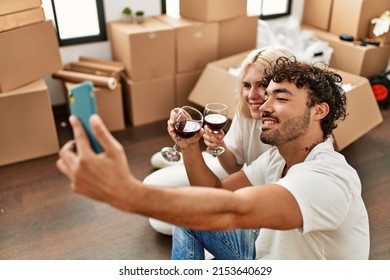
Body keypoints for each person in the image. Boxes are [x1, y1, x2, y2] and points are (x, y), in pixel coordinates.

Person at [56, 56, 370, 260]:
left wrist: (127, 193)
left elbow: (235, 210)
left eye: (281, 97)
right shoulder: (277, 159)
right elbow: (217, 193)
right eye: (264, 93)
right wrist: (191, 147)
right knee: (189, 217)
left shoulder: (329, 177)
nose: (262, 105)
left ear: (319, 111)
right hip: (262, 258)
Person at [144, 46, 294, 235]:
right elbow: (233, 166)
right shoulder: (247, 113)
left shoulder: (292, 138)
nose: (251, 95)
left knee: (164, 221)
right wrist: (219, 145)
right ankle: (201, 158)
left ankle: (201, 159)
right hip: (243, 176)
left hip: (253, 193)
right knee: (150, 185)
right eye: (247, 85)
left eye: (262, 84)